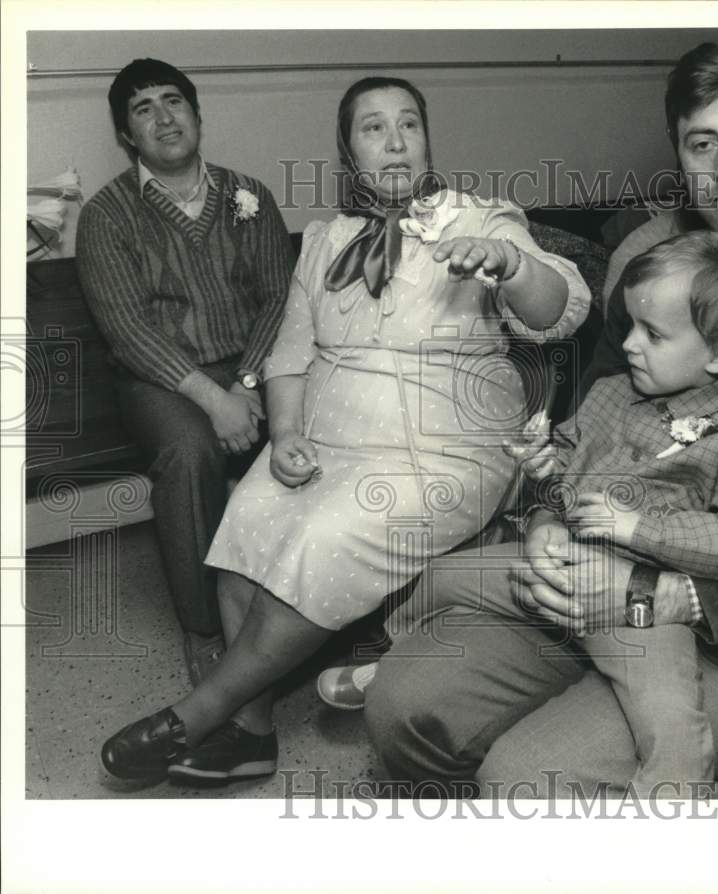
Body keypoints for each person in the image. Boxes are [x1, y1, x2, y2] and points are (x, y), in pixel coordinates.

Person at [364, 38, 718, 797]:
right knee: (402, 706)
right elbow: (590, 434)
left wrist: (656, 595)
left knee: (529, 779)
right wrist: (545, 523)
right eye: (702, 143)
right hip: (590, 559)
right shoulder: (650, 266)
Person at [98, 76, 590, 784]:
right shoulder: (328, 239)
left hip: (444, 450)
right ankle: (253, 728)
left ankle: (201, 714)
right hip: (328, 441)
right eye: (372, 128)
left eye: (409, 124)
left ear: (426, 139)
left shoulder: (479, 217)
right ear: (348, 151)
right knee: (248, 519)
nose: (394, 140)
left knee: (325, 542)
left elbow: (560, 307)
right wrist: (288, 432)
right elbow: (291, 353)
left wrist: (513, 266)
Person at [484, 231, 718, 796]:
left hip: (637, 604)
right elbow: (569, 464)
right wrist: (545, 465)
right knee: (439, 578)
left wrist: (637, 527)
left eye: (653, 334)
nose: (628, 345)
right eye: (629, 327)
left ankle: (671, 809)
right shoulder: (611, 392)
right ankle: (394, 652)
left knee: (669, 718)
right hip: (560, 563)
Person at [76, 59, 295, 686]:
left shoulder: (248, 195)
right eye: (144, 109)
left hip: (245, 369)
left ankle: (299, 607)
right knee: (191, 451)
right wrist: (212, 399)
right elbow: (127, 331)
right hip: (158, 381)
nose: (164, 116)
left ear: (198, 115)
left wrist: (247, 384)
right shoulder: (107, 216)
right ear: (127, 134)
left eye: (174, 101)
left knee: (311, 428)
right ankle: (205, 631)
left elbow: (280, 300)